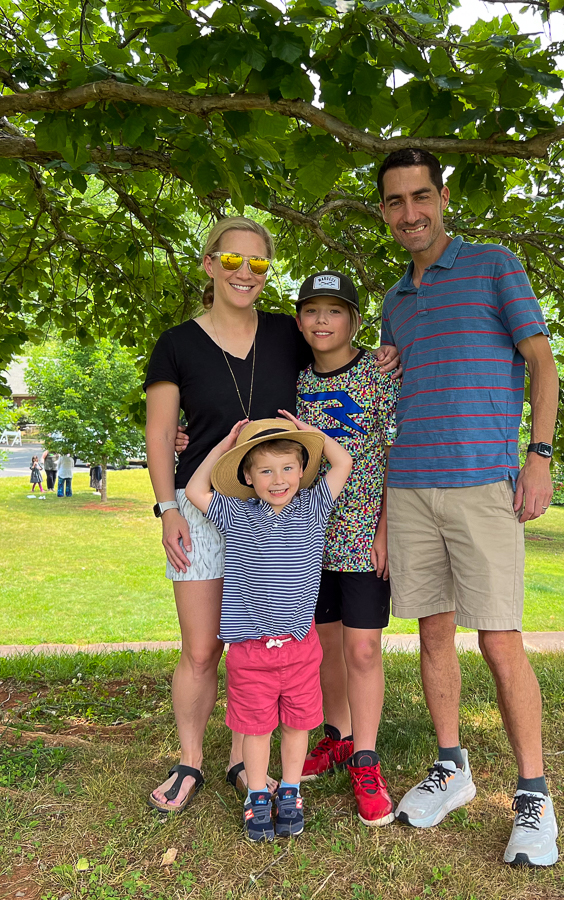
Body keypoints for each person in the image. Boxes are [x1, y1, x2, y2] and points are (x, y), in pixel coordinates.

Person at [145, 216, 399, 813]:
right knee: (202, 648)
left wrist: (386, 352)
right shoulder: (176, 344)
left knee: (259, 635)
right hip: (203, 507)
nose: (245, 272)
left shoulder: (287, 332)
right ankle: (189, 762)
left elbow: (337, 346)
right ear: (209, 264)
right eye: (232, 259)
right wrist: (166, 508)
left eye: (258, 263)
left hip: (283, 513)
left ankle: (245, 760)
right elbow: (160, 434)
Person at [377, 149, 560, 867]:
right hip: (409, 486)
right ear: (384, 211)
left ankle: (534, 795)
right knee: (433, 633)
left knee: (499, 641)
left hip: (484, 483)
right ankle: (451, 766)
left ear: (443, 197)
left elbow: (541, 363)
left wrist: (538, 455)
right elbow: (390, 393)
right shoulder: (394, 301)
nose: (410, 212)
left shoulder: (493, 266)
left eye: (421, 196)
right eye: (396, 201)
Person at [183, 416, 352, 841]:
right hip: (250, 650)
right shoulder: (237, 513)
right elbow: (195, 490)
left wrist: (311, 434)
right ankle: (257, 794)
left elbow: (343, 463)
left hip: (299, 647)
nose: (278, 480)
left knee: (298, 724)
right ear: (247, 476)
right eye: (265, 471)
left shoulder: (313, 507)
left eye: (288, 468)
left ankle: (290, 791)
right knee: (255, 728)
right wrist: (225, 445)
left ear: (302, 470)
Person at [294, 271, 399, 827]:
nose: (322, 321)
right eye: (312, 310)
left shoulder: (379, 375)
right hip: (306, 538)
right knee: (326, 645)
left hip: (362, 535)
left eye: (334, 310)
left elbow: (395, 452)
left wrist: (386, 528)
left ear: (354, 320)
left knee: (362, 649)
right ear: (299, 320)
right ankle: (337, 736)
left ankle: (366, 758)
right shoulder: (294, 380)